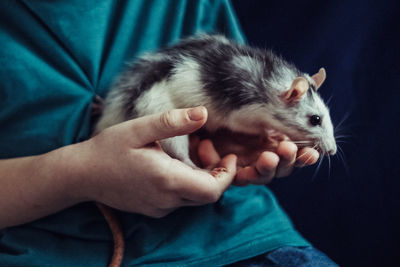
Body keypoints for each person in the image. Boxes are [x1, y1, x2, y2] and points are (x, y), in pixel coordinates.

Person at [0, 0, 337, 266]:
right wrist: (81, 174)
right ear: (291, 92)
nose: (330, 147)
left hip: (235, 234)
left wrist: (230, 145)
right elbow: (234, 111)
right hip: (43, 249)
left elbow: (227, 112)